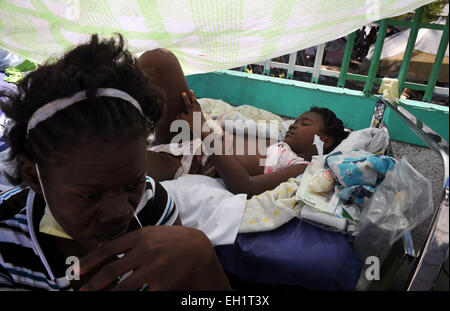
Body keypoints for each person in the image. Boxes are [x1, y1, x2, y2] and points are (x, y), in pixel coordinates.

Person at [0, 34, 230, 291]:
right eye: (90, 195)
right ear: (33, 176)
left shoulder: (152, 204)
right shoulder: (7, 243)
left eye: (133, 184)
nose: (121, 211)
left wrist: (204, 259)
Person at [176, 91, 349, 197]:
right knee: (164, 63)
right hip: (197, 137)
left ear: (325, 141)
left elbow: (245, 186)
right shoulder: (280, 145)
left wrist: (204, 132)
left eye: (305, 123)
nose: (294, 125)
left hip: (196, 160)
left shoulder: (299, 167)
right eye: (295, 121)